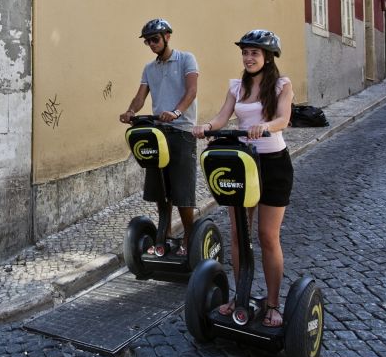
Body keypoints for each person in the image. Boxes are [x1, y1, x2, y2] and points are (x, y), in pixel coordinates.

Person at [191, 30, 294, 328]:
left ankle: (273, 304)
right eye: (245, 53)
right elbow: (223, 117)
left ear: (268, 57)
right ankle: (240, 296)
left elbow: (283, 119)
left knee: (267, 236)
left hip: (274, 165)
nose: (248, 58)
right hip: (244, 163)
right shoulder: (236, 87)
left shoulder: (281, 85)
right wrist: (206, 127)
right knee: (239, 234)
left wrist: (264, 126)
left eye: (255, 53)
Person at [119, 18, 200, 257]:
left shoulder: (186, 59)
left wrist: (175, 112)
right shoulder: (149, 68)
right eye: (147, 41)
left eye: (155, 39)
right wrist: (131, 111)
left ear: (167, 37)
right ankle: (163, 235)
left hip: (182, 131)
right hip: (158, 134)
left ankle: (189, 236)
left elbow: (192, 90)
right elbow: (140, 96)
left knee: (183, 191)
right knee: (161, 188)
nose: (151, 44)